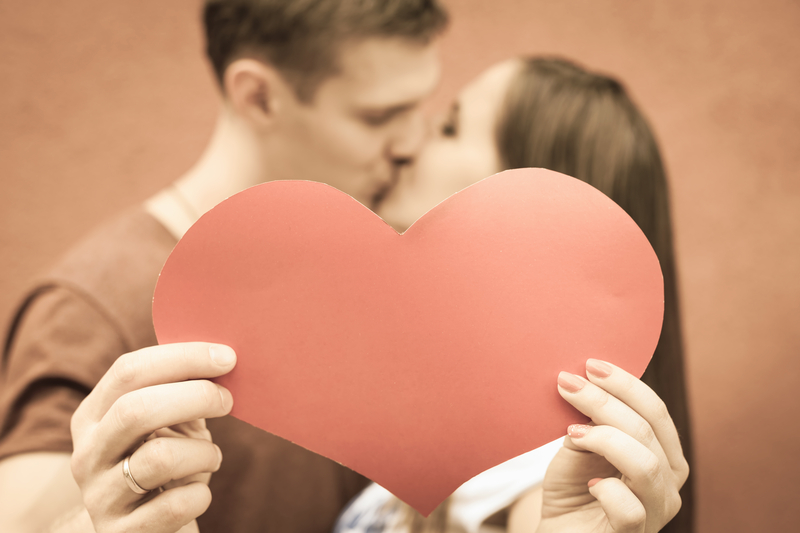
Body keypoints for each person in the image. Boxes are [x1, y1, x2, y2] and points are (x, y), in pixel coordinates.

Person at [0, 1, 449, 532]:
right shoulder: (94, 307)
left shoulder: (359, 279)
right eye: (377, 116)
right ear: (257, 96)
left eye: (420, 108)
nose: (411, 143)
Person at [338, 57, 693, 532]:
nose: (404, 145)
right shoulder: (460, 426)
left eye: (448, 128)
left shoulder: (554, 470)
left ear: (531, 195)